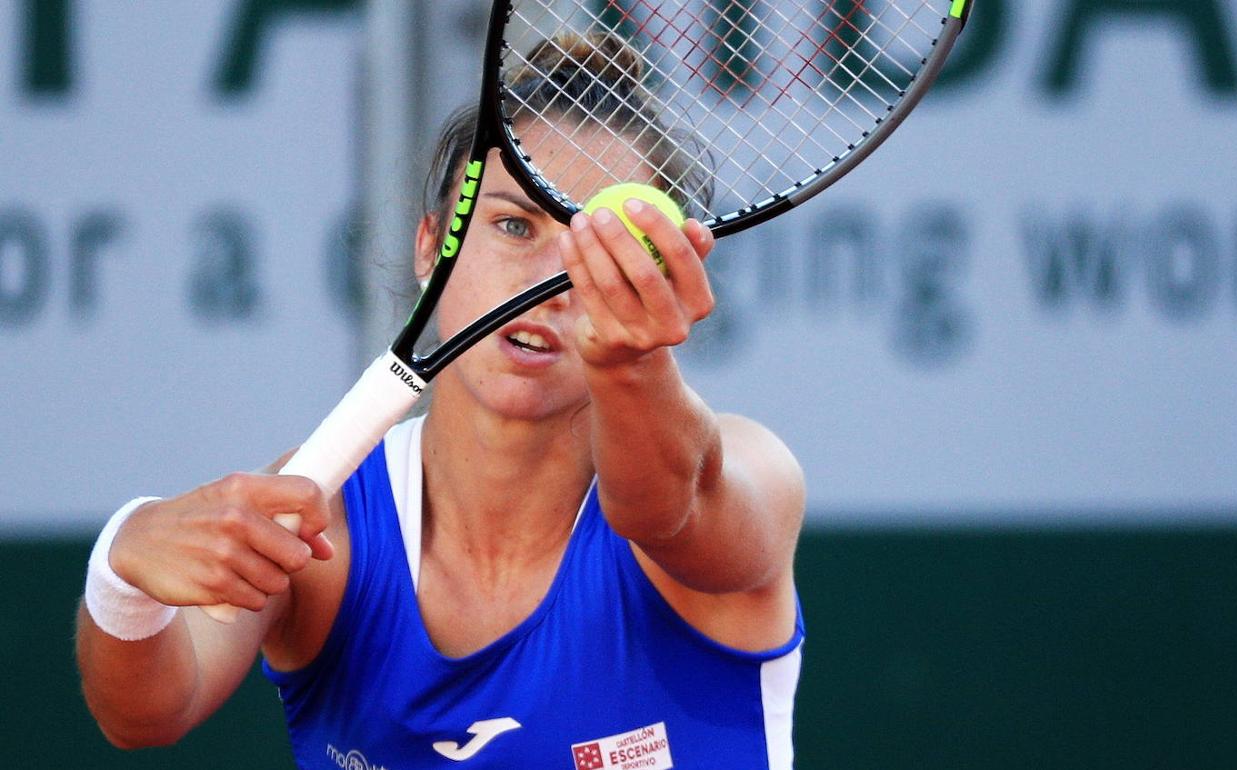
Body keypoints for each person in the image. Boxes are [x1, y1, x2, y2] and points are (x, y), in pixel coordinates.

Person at [76, 32, 805, 769]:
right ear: (432, 247)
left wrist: (628, 361)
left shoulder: (751, 476)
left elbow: (666, 511)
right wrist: (123, 574)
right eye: (514, 225)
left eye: (601, 245)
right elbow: (146, 713)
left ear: (659, 271)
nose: (548, 281)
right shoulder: (324, 517)